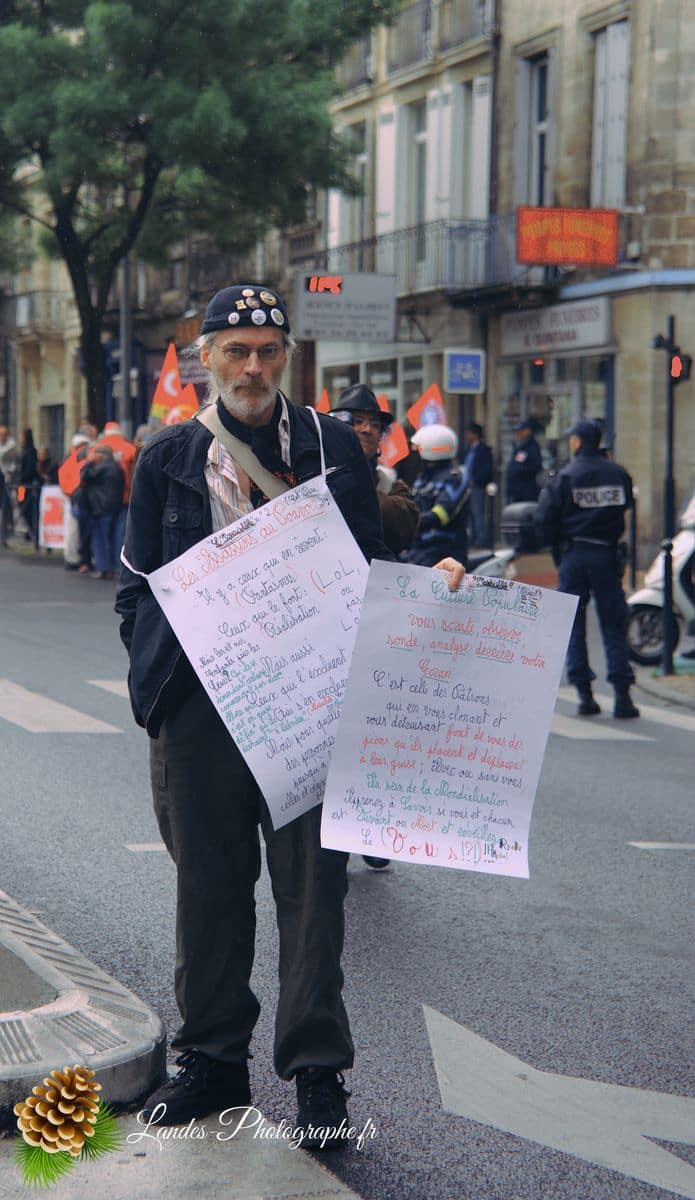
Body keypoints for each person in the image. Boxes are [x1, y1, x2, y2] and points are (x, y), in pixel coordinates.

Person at [115, 283, 464, 1147]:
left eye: (267, 352)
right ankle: (211, 1061)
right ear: (206, 359)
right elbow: (135, 587)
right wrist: (165, 679)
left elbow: (365, 567)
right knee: (208, 889)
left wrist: (431, 586)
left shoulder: (330, 443)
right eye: (235, 351)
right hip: (199, 709)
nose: (252, 367)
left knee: (313, 895)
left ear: (287, 359)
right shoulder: (166, 457)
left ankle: (317, 1075)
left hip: (310, 703)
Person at [331, 383, 419, 870]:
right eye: (355, 422)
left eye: (373, 424)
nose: (366, 430)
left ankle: (373, 827)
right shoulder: (315, 473)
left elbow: (402, 525)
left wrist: (361, 491)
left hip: (380, 615)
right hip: (328, 620)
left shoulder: (386, 481)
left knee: (378, 731)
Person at [535, 418, 639, 719]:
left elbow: (544, 518)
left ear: (579, 441)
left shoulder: (566, 475)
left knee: (574, 625)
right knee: (613, 625)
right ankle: (623, 697)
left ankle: (584, 695)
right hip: (606, 554)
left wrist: (555, 546)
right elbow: (626, 505)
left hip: (575, 555)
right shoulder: (618, 473)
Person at [404, 424, 471, 568]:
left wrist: (407, 523)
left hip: (444, 552)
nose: (415, 453)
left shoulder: (455, 478)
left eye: (419, 449)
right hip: (418, 549)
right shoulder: (424, 478)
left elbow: (440, 515)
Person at [80, 444, 125, 579]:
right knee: (112, 538)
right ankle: (111, 568)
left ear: (100, 455)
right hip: (113, 506)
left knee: (101, 539)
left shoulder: (102, 467)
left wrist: (88, 462)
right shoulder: (117, 467)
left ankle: (104, 568)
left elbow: (85, 475)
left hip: (100, 507)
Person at [59, 434, 92, 570]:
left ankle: (71, 557)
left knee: (72, 530)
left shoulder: (69, 460)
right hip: (77, 498)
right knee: (75, 530)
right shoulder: (80, 459)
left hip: (72, 497)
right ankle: (73, 558)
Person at [463, 423, 493, 546]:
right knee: (468, 514)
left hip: (476, 486)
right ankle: (471, 538)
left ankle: (481, 540)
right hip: (466, 487)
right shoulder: (469, 449)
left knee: (477, 513)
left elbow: (486, 469)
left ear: (474, 434)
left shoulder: (483, 449)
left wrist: (476, 480)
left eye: (469, 433)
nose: (466, 436)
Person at [506, 418, 543, 503]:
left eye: (521, 430)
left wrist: (518, 470)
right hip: (517, 491)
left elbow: (536, 466)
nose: (518, 433)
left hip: (526, 491)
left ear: (528, 431)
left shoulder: (532, 447)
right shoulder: (523, 446)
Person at [17, 429, 40, 541]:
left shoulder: (30, 451)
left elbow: (30, 470)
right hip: (21, 485)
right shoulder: (24, 450)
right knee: (21, 505)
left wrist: (21, 477)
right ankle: (28, 531)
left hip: (26, 485)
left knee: (26, 508)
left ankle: (32, 532)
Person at [0, 425, 17, 544]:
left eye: (3, 434)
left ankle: (5, 535)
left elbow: (12, 462)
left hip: (7, 480)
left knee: (8, 506)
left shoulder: (11, 445)